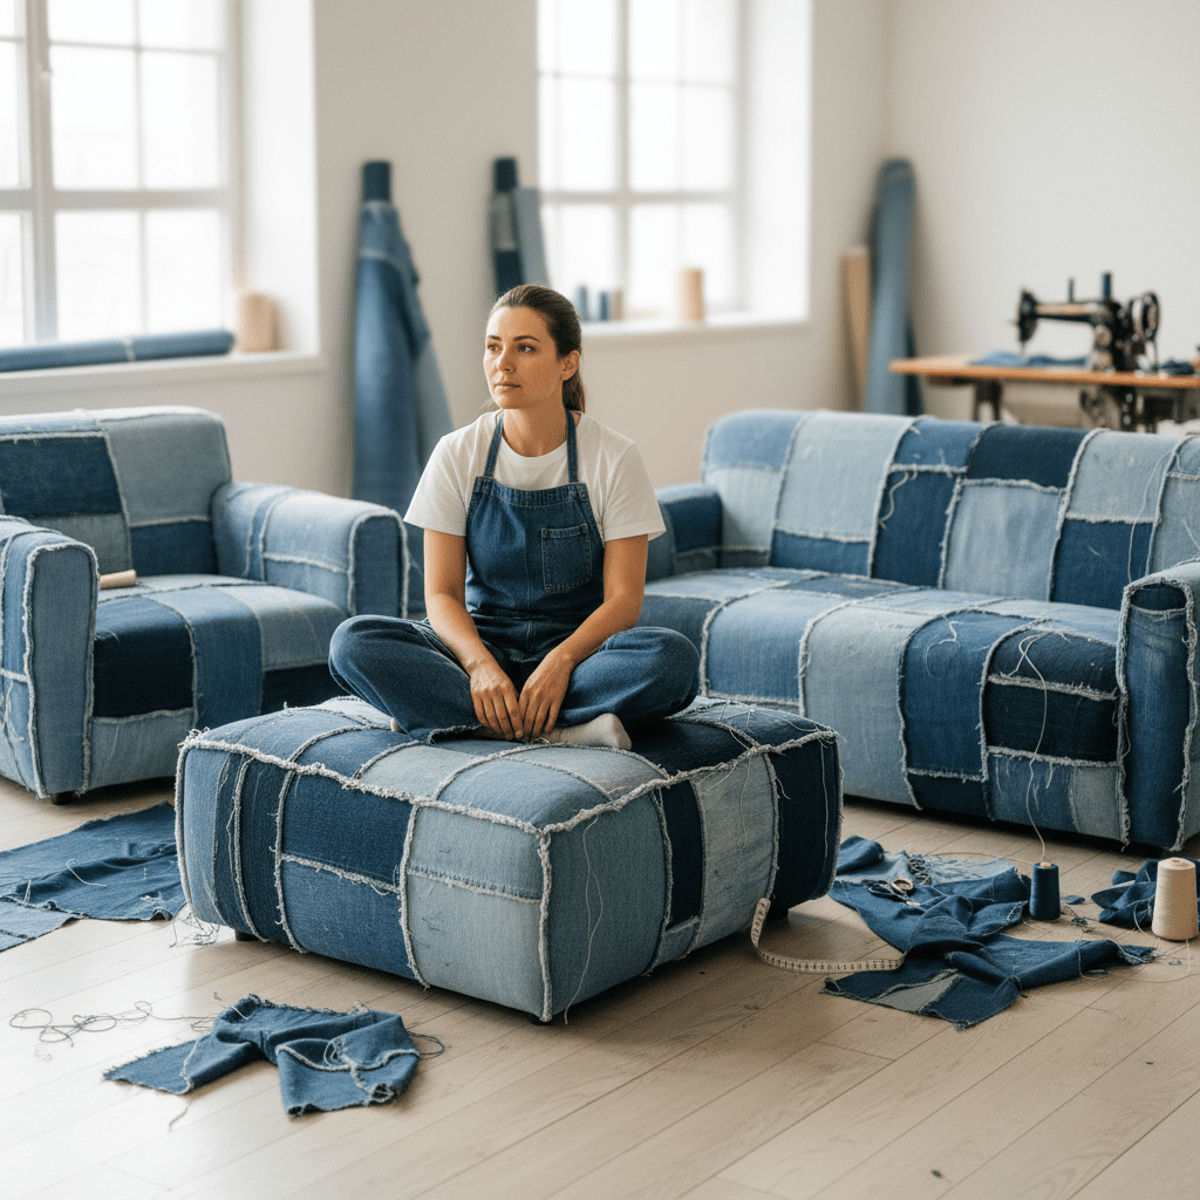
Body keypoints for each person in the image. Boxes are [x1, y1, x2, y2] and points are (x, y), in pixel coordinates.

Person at [329, 284, 699, 748]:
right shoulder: (456, 452)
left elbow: (623, 601)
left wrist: (561, 663)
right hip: (479, 643)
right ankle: (561, 730)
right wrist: (480, 665)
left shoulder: (614, 457)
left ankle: (449, 716)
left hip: (577, 653)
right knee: (352, 643)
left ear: (568, 363)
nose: (502, 364)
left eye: (525, 348)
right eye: (492, 347)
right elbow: (441, 594)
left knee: (672, 659)